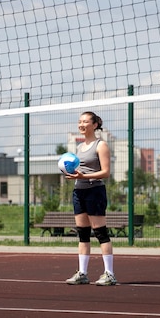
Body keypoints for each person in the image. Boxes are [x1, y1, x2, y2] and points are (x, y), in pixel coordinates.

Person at [64, 111, 116, 286]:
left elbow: (106, 172)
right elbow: (80, 171)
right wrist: (70, 173)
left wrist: (84, 177)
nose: (81, 124)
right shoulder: (79, 147)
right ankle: (82, 273)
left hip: (95, 191)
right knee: (83, 234)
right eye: (79, 121)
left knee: (100, 233)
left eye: (85, 121)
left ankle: (109, 274)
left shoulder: (101, 145)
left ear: (94, 125)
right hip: (79, 191)